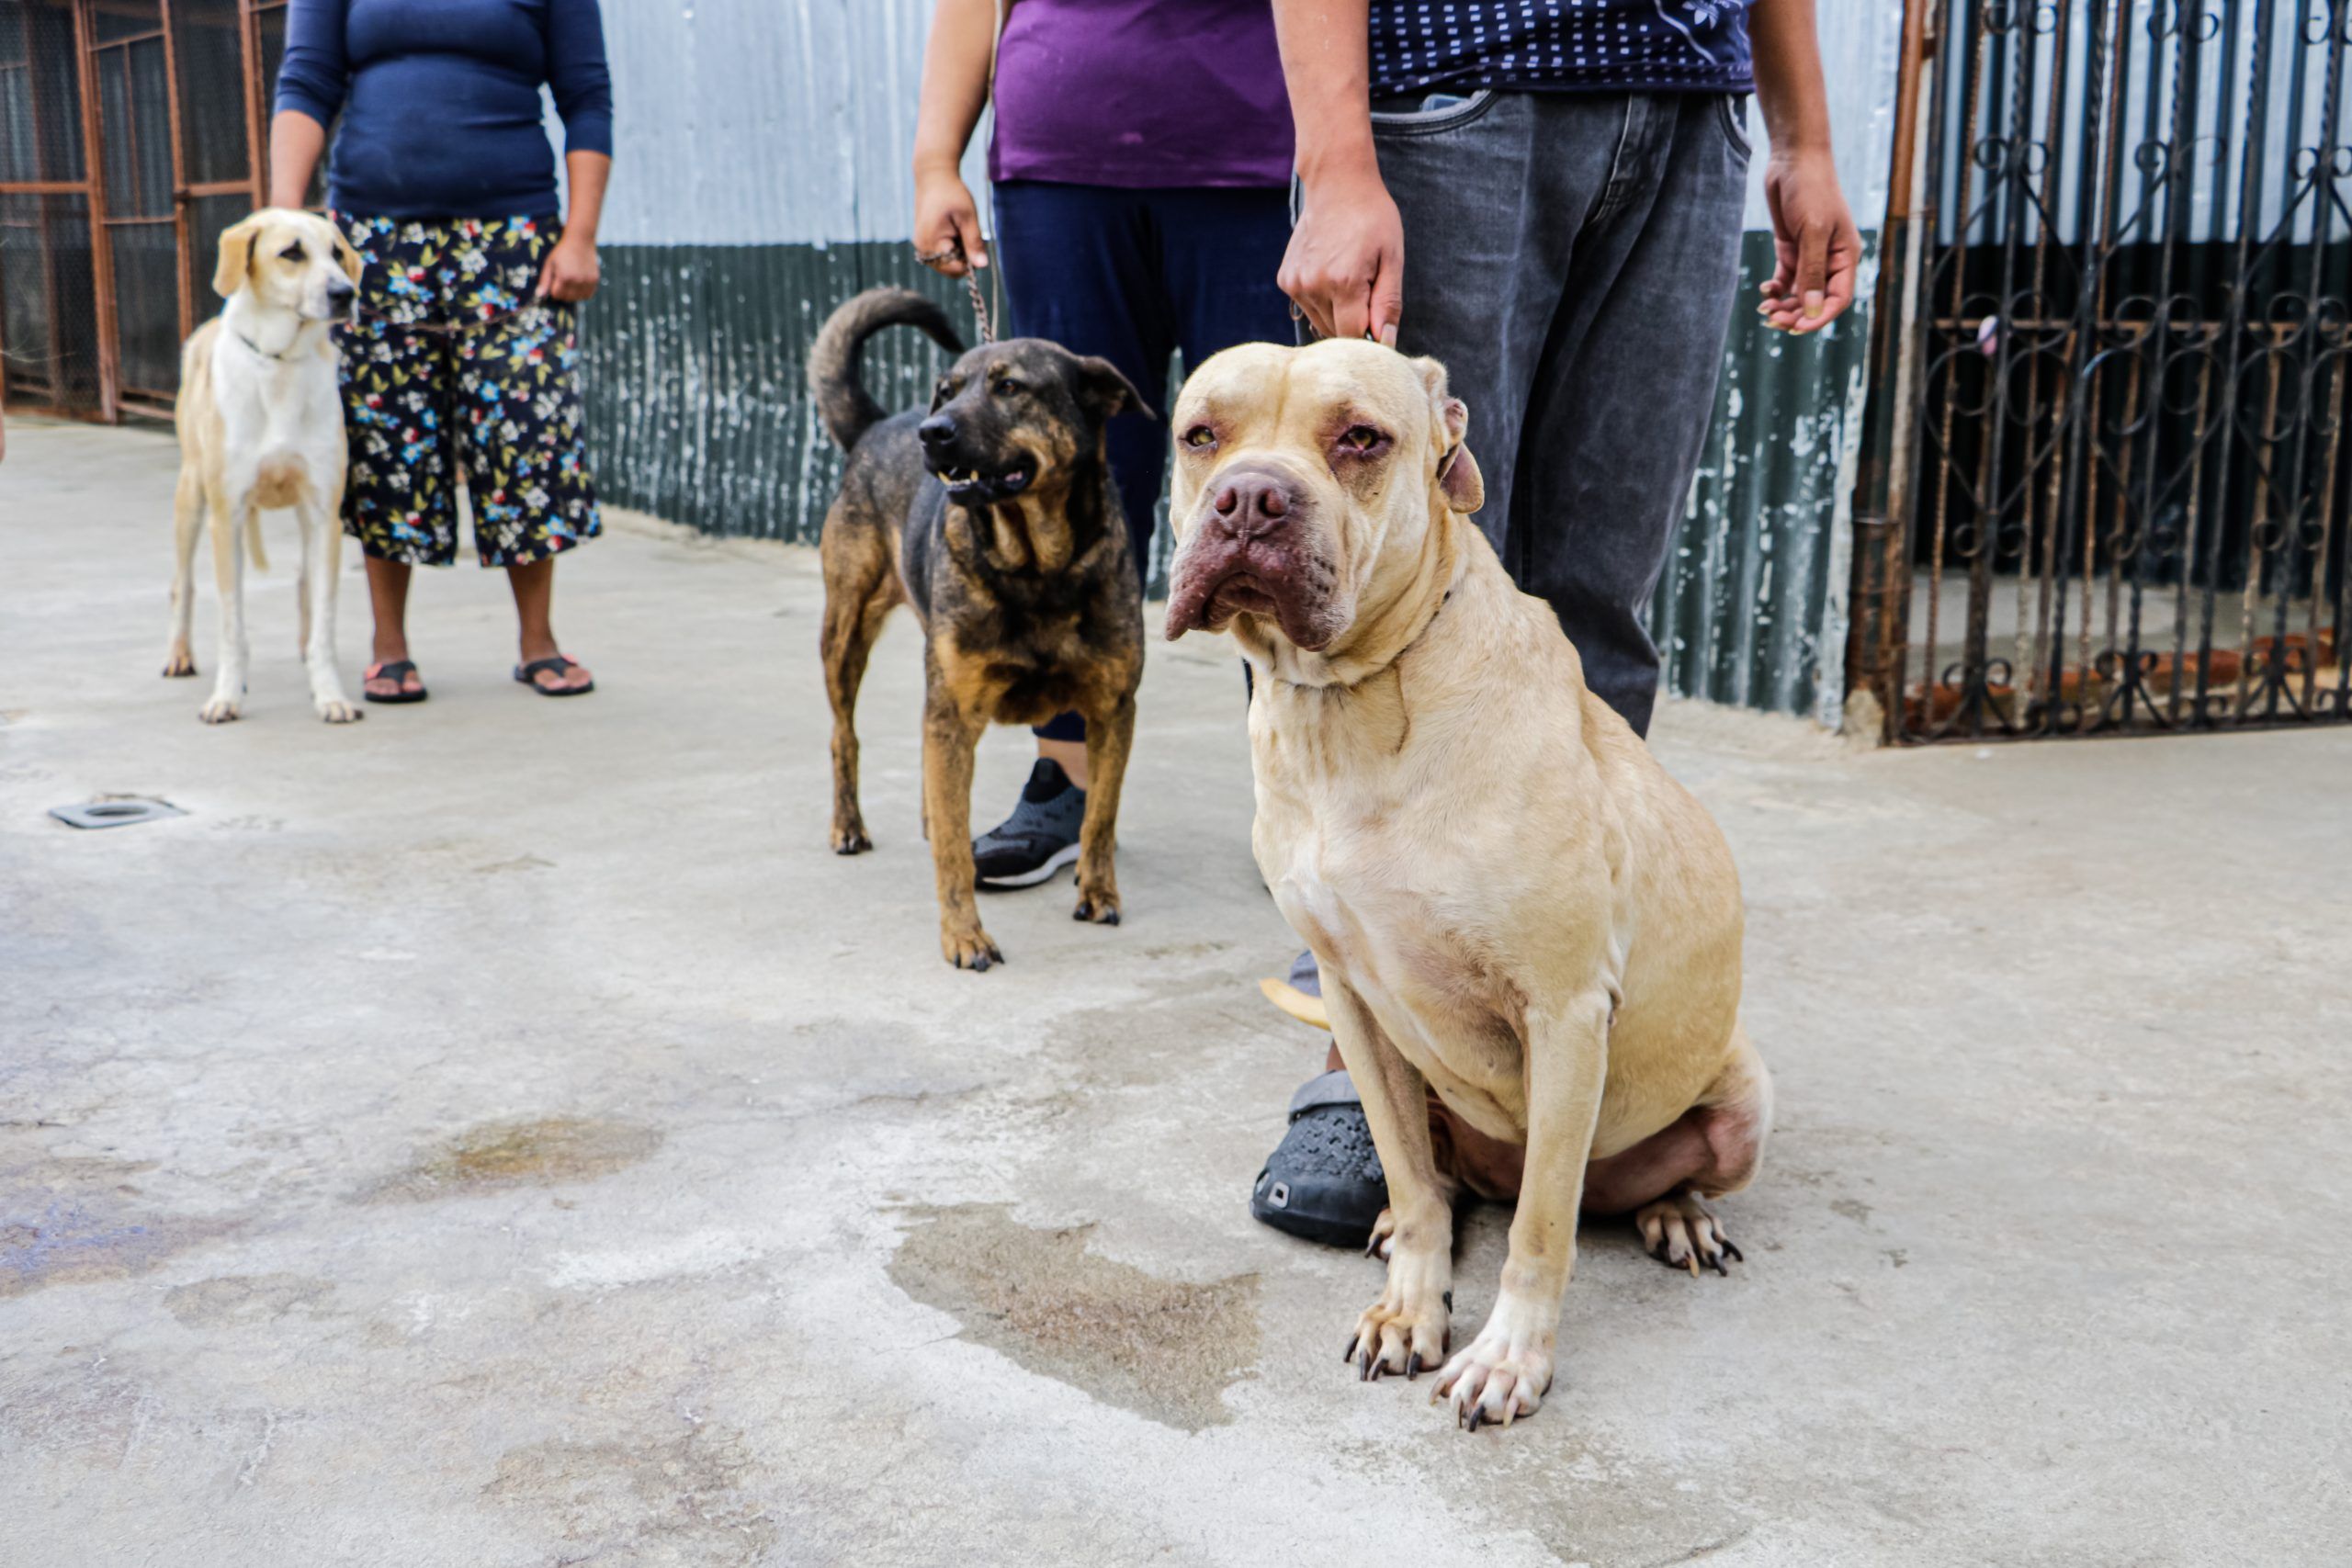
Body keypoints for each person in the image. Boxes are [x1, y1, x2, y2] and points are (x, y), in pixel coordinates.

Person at [1249, 0, 1860, 1244]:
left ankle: (1569, 1018)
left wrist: (1805, 142)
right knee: (1366, 587)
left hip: (1685, 101)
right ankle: (1361, 1073)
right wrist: (1337, 158)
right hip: (1457, 85)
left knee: (1600, 601)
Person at [911, 0, 1295, 887]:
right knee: (1060, 476)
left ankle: (1295, 787)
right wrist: (937, 160)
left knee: (1265, 480)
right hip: (1061, 169)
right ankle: (1064, 775)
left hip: (1250, 160)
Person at [269, 0, 613, 703]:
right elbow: (306, 81)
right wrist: (284, 219)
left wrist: (580, 234)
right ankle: (388, 646)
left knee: (526, 436)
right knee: (384, 437)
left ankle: (537, 641)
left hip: (515, 238)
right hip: (373, 238)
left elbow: (587, 96)